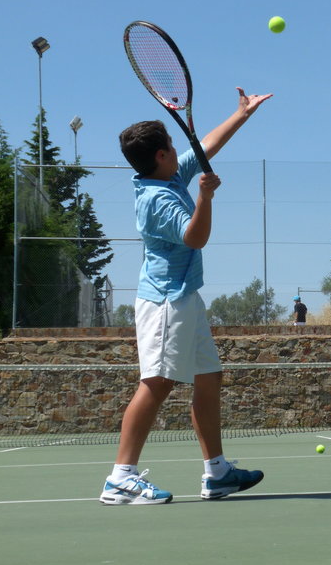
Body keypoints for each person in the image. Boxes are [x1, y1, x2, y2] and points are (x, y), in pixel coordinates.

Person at [99, 86, 273, 505]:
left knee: (208, 376)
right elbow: (195, 237)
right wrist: (205, 198)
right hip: (165, 301)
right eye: (172, 145)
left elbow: (205, 145)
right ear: (161, 155)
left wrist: (242, 115)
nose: (179, 149)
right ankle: (120, 478)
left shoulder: (169, 174)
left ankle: (218, 473)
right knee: (157, 383)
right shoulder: (156, 199)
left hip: (185, 297)